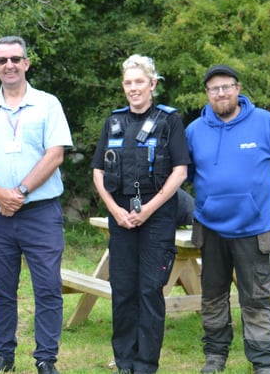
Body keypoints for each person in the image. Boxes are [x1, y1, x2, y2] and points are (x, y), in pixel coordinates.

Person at [0, 36, 73, 374]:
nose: (9, 65)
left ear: (27, 63)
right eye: (2, 60)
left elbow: (55, 154)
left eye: (15, 58)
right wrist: (0, 194)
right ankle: (3, 357)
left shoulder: (48, 104)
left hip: (40, 213)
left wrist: (20, 191)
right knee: (1, 289)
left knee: (48, 288)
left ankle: (45, 359)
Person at [186, 65, 270, 374]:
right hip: (210, 228)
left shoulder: (264, 123)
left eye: (227, 87)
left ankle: (262, 362)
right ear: (207, 94)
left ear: (238, 88)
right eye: (214, 89)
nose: (221, 93)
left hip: (253, 228)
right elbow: (189, 174)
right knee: (213, 297)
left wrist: (264, 199)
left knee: (256, 298)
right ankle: (215, 357)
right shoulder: (194, 130)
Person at [91, 54, 190, 374]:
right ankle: (125, 362)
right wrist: (114, 210)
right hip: (120, 213)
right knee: (122, 290)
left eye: (139, 82)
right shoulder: (114, 121)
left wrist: (148, 209)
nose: (134, 88)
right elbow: (96, 172)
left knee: (149, 290)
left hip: (157, 213)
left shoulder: (169, 120)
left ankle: (146, 364)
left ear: (153, 84)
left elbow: (179, 171)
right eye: (128, 82)